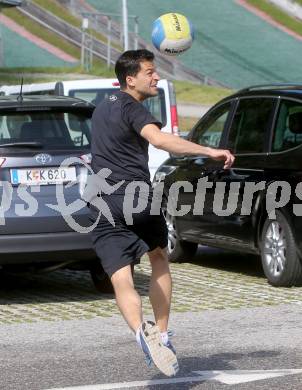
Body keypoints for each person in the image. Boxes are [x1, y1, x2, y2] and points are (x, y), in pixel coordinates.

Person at [89, 49, 235, 377]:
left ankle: (141, 331)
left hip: (100, 200)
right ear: (131, 79)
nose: (156, 77)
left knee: (120, 274)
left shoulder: (102, 107)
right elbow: (160, 141)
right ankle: (163, 335)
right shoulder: (133, 108)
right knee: (158, 256)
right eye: (150, 72)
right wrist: (208, 150)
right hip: (135, 197)